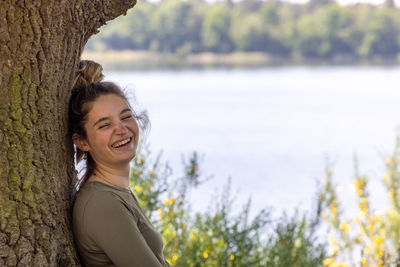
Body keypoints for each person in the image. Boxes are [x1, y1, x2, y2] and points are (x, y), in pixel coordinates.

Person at [69, 60, 170, 267]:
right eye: (105, 125)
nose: (122, 129)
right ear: (82, 141)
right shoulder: (102, 204)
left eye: (126, 117)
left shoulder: (115, 192)